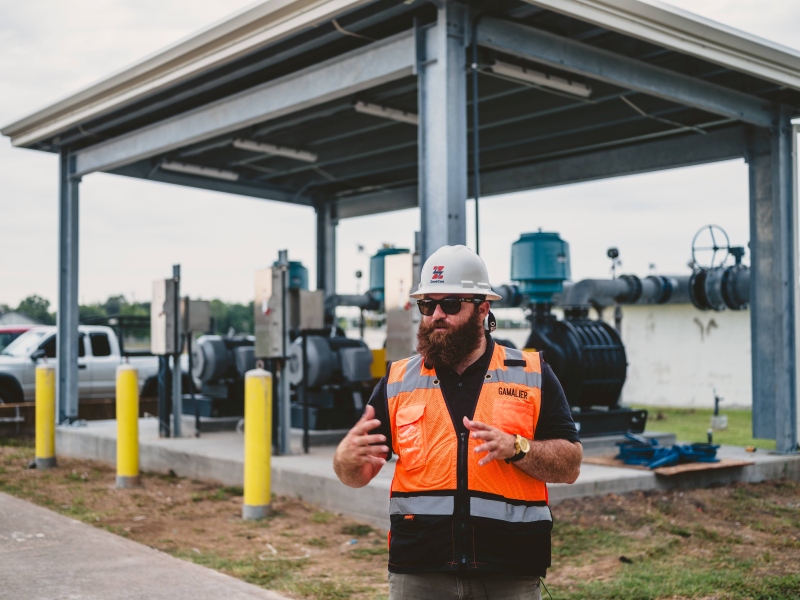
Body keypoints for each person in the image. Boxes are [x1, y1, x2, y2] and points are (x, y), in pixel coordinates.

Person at [333, 244, 582, 600]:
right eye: (426, 305)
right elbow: (354, 476)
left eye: (450, 304)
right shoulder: (397, 381)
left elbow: (570, 465)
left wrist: (517, 448)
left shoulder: (532, 373)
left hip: (508, 570)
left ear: (483, 309)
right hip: (419, 570)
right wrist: (345, 457)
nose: (436, 314)